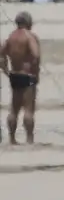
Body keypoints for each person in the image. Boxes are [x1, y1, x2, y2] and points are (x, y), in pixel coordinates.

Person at [2, 12, 40, 145]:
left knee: (14, 108)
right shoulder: (29, 36)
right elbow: (36, 55)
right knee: (28, 109)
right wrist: (35, 70)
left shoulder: (11, 37)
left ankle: (12, 138)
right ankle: (29, 139)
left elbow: (1, 55)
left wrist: (6, 71)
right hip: (27, 75)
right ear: (28, 22)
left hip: (15, 74)